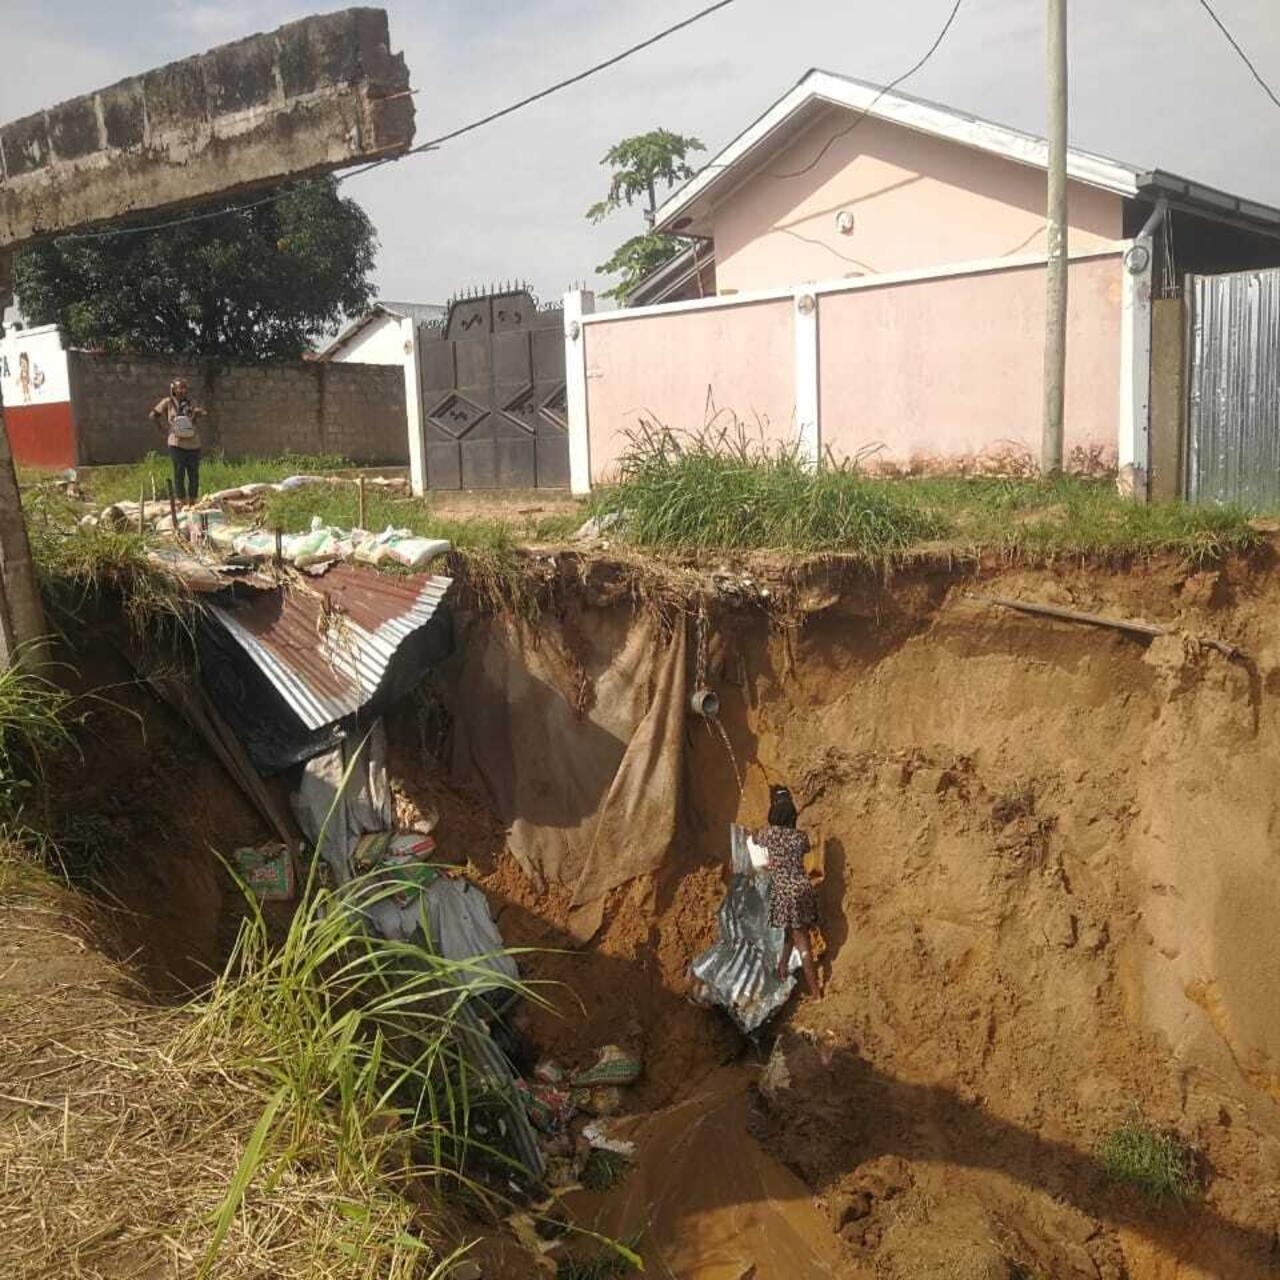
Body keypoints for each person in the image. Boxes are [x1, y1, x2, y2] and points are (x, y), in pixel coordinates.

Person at [748, 784, 821, 999]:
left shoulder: (768, 834)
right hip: (803, 888)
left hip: (784, 893)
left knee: (802, 940)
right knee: (792, 931)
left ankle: (816, 992)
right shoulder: (800, 837)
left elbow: (754, 839)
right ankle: (782, 968)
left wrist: (754, 832)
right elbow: (806, 848)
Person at [150, 378, 207, 504]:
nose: (183, 390)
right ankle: (181, 501)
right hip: (177, 443)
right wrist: (164, 431)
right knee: (179, 472)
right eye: (180, 388)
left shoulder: (191, 402)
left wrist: (197, 413)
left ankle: (192, 500)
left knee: (193, 474)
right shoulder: (168, 402)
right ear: (173, 389)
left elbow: (203, 412)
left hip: (193, 444)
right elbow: (153, 415)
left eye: (185, 388)